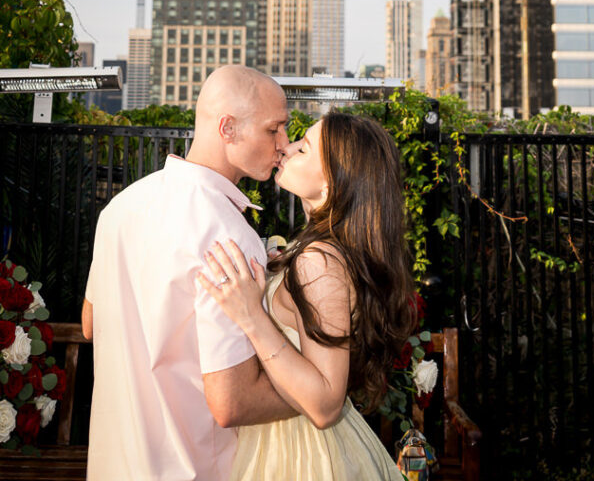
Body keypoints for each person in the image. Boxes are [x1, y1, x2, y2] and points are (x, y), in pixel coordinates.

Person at [81, 65, 298, 481]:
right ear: (228, 128)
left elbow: (91, 325)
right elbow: (233, 403)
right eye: (275, 130)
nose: (284, 145)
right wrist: (325, 391)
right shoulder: (229, 234)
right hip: (195, 468)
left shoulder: (121, 208)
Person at [199, 111, 414, 481]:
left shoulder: (320, 261)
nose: (286, 147)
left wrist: (253, 315)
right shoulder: (317, 252)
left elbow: (326, 404)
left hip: (303, 458)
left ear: (331, 184)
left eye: (305, 147)